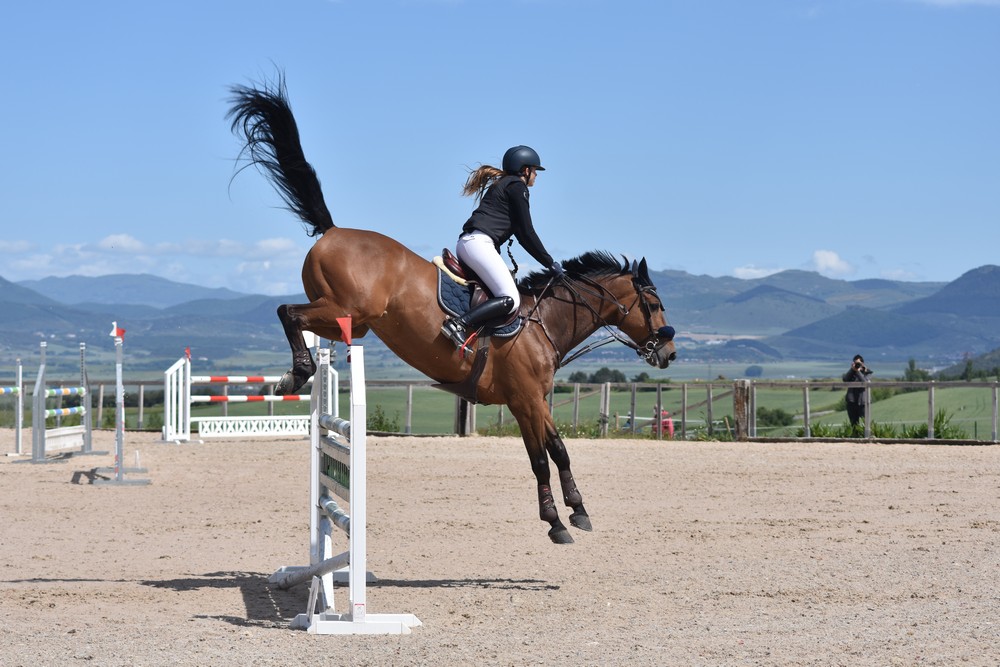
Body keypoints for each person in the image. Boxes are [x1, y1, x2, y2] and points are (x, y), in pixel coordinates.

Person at [441, 145, 564, 350]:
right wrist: (550, 263)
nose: (535, 175)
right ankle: (458, 323)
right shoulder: (517, 186)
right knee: (510, 299)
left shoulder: (503, 184)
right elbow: (526, 233)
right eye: (534, 170)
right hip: (479, 244)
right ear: (525, 170)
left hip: (469, 243)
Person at [842, 354, 873, 426]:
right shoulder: (852, 373)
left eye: (859, 363)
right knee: (853, 424)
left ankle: (867, 436)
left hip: (863, 402)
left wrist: (859, 372)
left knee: (866, 424)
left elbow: (865, 382)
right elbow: (845, 379)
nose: (857, 365)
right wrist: (852, 370)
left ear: (862, 363)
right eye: (856, 363)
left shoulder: (868, 372)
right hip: (852, 401)